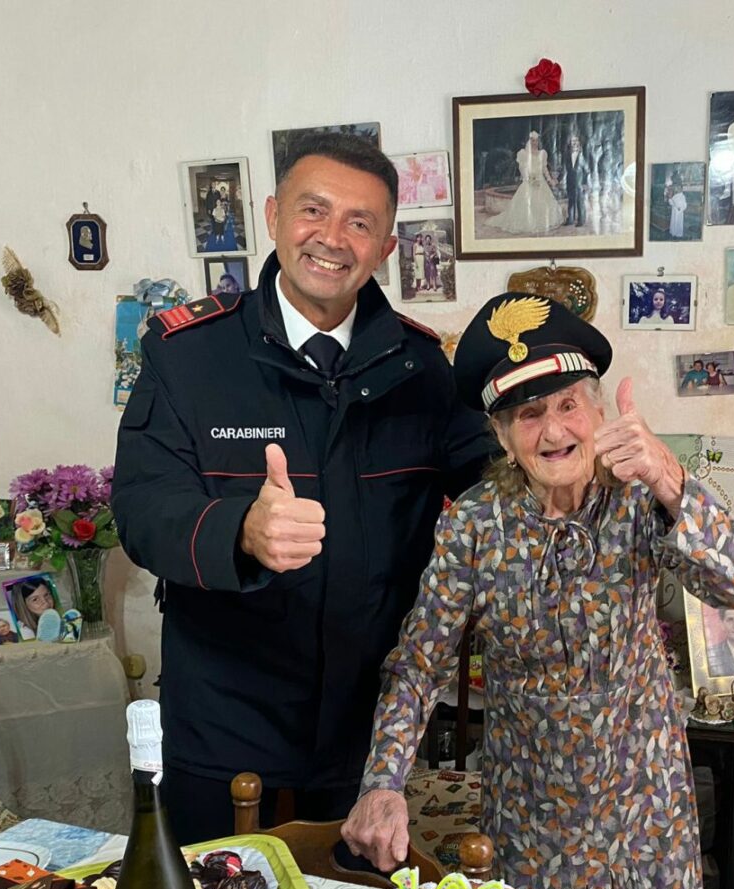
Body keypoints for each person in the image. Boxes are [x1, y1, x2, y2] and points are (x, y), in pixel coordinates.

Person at [342, 293, 734, 889]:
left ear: (598, 410)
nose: (553, 430)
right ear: (502, 435)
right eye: (527, 414)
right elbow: (419, 662)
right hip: (535, 830)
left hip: (646, 820)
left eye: (568, 404)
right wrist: (383, 781)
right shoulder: (474, 526)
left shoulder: (641, 497)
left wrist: (670, 475)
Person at [112, 131, 499, 843]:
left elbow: (495, 487)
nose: (332, 238)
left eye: (360, 222)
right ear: (273, 215)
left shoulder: (422, 368)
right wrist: (240, 531)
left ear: (385, 248)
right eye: (313, 210)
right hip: (223, 723)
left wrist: (577, 455)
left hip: (365, 732)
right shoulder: (190, 356)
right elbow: (142, 509)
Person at [489, 131, 565, 234]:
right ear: (529, 141)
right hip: (529, 182)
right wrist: (529, 179)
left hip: (541, 182)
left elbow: (544, 169)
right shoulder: (523, 154)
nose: (535, 143)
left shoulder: (542, 153)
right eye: (532, 140)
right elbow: (523, 169)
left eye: (536, 141)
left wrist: (549, 179)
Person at [563, 132, 593, 227]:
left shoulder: (581, 157)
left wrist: (585, 183)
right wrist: (558, 179)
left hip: (579, 183)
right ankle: (570, 219)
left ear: (579, 144)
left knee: (580, 202)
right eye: (572, 141)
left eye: (576, 141)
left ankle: (581, 219)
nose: (574, 143)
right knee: (571, 201)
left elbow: (587, 171)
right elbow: (565, 170)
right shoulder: (567, 156)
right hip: (570, 182)